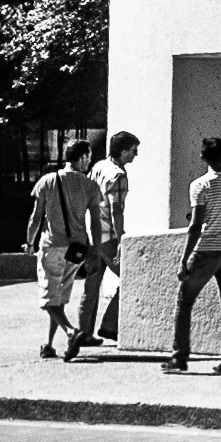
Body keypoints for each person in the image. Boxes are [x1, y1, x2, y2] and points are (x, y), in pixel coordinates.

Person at [163, 134, 221, 374]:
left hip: (206, 252)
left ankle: (179, 357)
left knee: (185, 302)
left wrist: (184, 260)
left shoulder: (200, 185)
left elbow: (195, 225)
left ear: (203, 157)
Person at [25, 139, 102, 360]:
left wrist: (29, 243)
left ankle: (71, 332)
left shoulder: (46, 181)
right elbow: (95, 222)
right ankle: (49, 345)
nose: (90, 161)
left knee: (48, 299)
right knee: (58, 299)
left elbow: (35, 218)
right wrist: (95, 250)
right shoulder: (89, 186)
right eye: (88, 156)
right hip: (77, 249)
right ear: (82, 158)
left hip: (52, 246)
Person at [77, 128, 139, 347]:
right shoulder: (118, 175)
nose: (135, 155)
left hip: (91, 234)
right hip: (108, 237)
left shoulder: (98, 167)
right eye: (133, 150)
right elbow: (117, 210)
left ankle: (83, 333)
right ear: (123, 151)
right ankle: (110, 325)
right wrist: (121, 239)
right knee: (133, 278)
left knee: (91, 286)